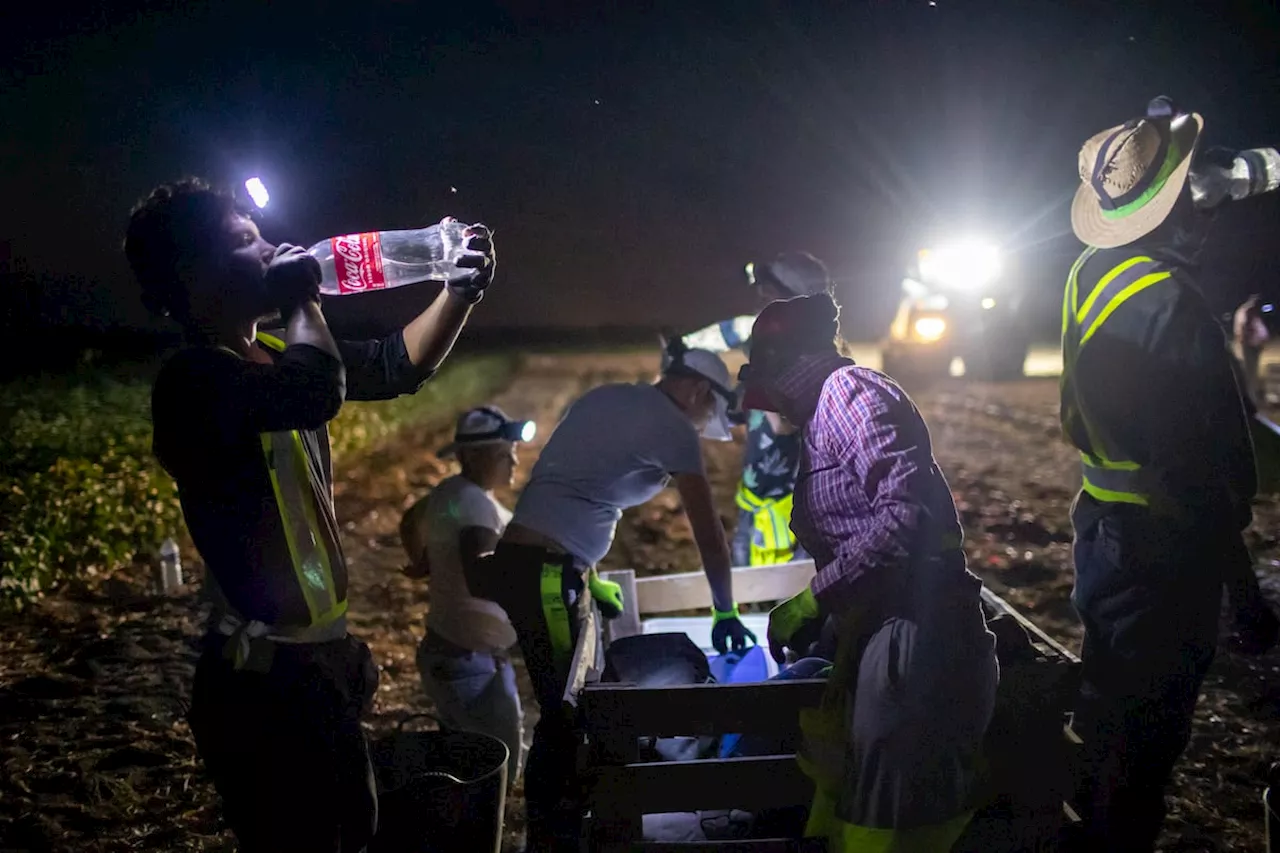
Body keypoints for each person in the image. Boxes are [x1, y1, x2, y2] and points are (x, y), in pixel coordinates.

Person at [127, 177, 495, 852]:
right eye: (246, 241)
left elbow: (390, 366)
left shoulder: (269, 355)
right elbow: (315, 388)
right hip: (260, 682)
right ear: (192, 276)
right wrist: (303, 299)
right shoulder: (193, 383)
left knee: (351, 827)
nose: (274, 249)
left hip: (309, 662)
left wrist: (457, 291)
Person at [1063, 96, 1279, 850]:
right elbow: (1204, 477)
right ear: (1172, 210)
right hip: (1162, 550)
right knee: (1147, 739)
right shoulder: (1175, 312)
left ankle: (1088, 824)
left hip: (1101, 531)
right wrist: (1245, 596)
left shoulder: (1091, 270)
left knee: (1106, 709)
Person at [468, 340, 756, 853]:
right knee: (564, 715)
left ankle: (562, 826)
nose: (699, 430)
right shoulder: (672, 425)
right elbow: (708, 530)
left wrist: (590, 573)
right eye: (705, 415)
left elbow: (579, 485)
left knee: (567, 704)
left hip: (543, 563)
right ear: (694, 390)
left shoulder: (608, 399)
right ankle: (553, 840)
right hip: (546, 573)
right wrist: (725, 607)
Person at [738, 293, 998, 852]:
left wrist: (815, 600)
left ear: (782, 364)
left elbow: (907, 517)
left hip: (916, 637)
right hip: (886, 630)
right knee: (865, 808)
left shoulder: (850, 394)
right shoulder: (825, 413)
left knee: (893, 821)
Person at [399, 406, 533, 782]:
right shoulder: (474, 503)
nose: (513, 461)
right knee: (492, 774)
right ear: (472, 456)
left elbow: (411, 521)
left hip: (457, 654)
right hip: (468, 662)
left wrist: (427, 561)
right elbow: (482, 575)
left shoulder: (452, 492)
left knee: (470, 759)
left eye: (513, 451)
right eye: (502, 453)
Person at [680, 253, 834, 569]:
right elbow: (743, 407)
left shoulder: (806, 359)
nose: (760, 294)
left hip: (789, 508)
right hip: (759, 497)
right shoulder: (771, 344)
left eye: (770, 288)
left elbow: (785, 423)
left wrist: (761, 371)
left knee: (781, 597)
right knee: (756, 593)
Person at [1233, 294, 1271, 406]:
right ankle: (1252, 398)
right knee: (1250, 373)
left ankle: (1254, 396)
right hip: (1248, 348)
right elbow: (1243, 330)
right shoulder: (1247, 312)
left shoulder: (1248, 312)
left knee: (1253, 372)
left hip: (1251, 347)